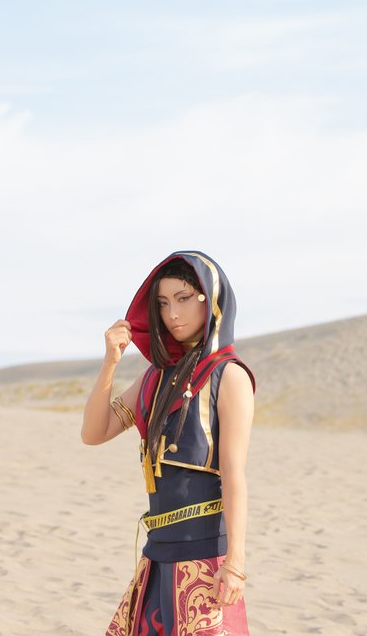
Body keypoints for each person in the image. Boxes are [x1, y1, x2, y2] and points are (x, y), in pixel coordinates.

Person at [81, 250, 256, 636]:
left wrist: (236, 564)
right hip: (156, 555)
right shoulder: (155, 378)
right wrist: (110, 362)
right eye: (162, 303)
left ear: (209, 300)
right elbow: (94, 433)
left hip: (205, 559)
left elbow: (234, 475)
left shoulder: (230, 376)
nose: (172, 314)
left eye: (183, 298)